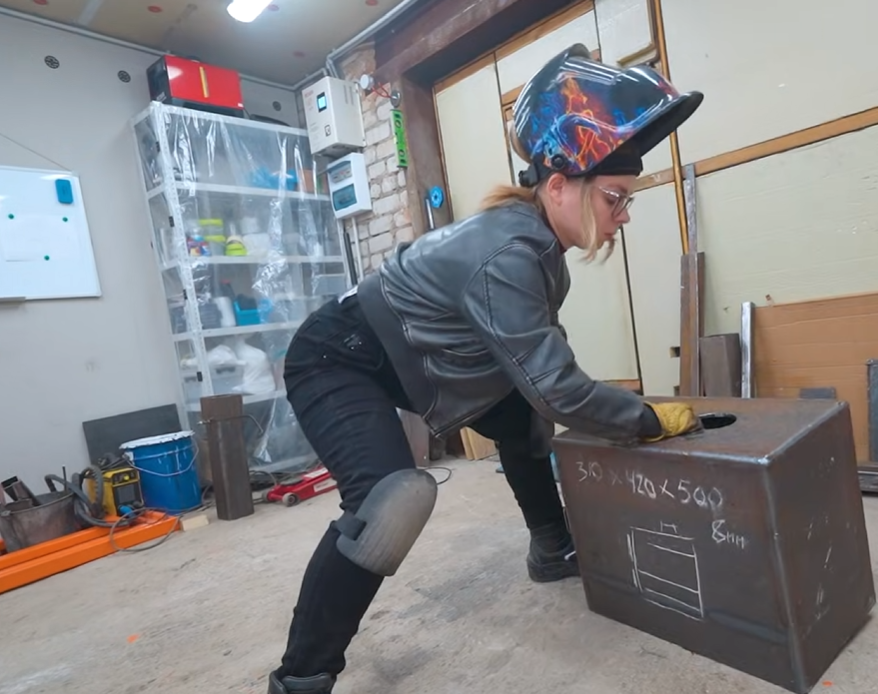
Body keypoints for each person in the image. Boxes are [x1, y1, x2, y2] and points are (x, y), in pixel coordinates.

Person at [269, 43, 705, 694]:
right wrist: (642, 419)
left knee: (522, 414)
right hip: (337, 357)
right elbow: (559, 388)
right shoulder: (508, 252)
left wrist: (602, 409)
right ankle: (301, 676)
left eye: (626, 201)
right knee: (392, 501)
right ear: (558, 187)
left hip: (405, 356)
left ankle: (550, 545)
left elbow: (542, 372)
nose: (622, 216)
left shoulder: (538, 249)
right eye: (615, 198)